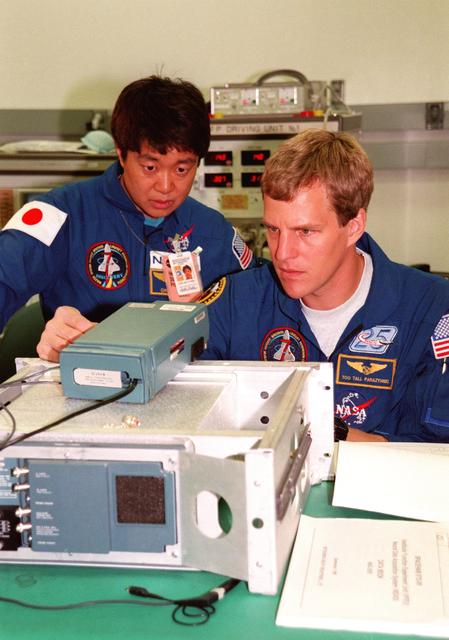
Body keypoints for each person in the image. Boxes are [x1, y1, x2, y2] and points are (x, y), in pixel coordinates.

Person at [200, 129, 449, 443]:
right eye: (273, 229)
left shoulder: (433, 310)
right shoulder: (234, 302)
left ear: (353, 227)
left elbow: (436, 451)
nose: (282, 253)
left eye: (305, 231)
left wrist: (321, 432)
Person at [0, 75, 254, 353]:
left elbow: (262, 312)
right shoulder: (63, 216)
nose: (166, 187)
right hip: (85, 376)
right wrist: (59, 336)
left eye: (182, 169)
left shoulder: (213, 233)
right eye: (150, 167)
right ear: (121, 154)